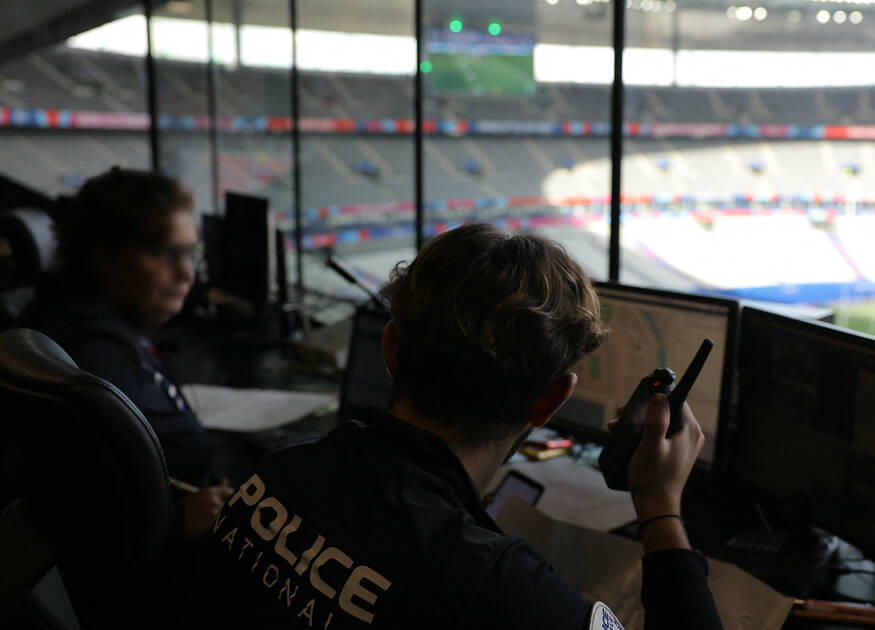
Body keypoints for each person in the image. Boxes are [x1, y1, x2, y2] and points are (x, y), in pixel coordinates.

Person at [188, 223, 722, 629]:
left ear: (392, 347)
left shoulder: (276, 474)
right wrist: (660, 507)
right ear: (551, 399)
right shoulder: (492, 586)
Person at [19, 167, 232, 624]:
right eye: (167, 253)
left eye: (190, 254)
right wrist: (179, 523)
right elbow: (76, 514)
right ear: (106, 254)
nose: (186, 273)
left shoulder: (75, 319)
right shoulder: (94, 356)